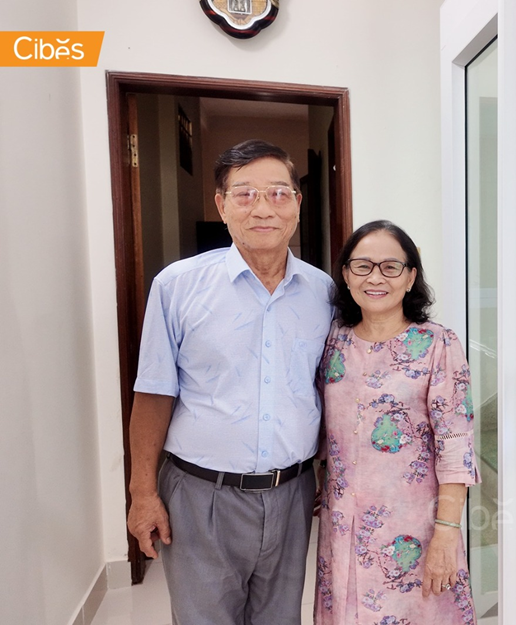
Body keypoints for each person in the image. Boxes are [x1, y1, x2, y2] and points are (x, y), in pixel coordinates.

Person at [126, 139, 333, 624]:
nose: (263, 208)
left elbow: (327, 390)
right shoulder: (177, 285)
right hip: (201, 497)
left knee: (281, 618)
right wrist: (141, 493)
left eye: (279, 193)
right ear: (221, 205)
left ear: (297, 204)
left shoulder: (323, 292)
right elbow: (154, 393)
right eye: (244, 194)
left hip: (293, 492)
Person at [314, 220, 481, 624]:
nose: (376, 277)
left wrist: (446, 532)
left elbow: (456, 444)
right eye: (362, 266)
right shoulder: (333, 341)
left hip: (415, 533)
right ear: (346, 275)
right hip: (343, 527)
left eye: (391, 267)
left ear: (410, 278)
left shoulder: (439, 344)